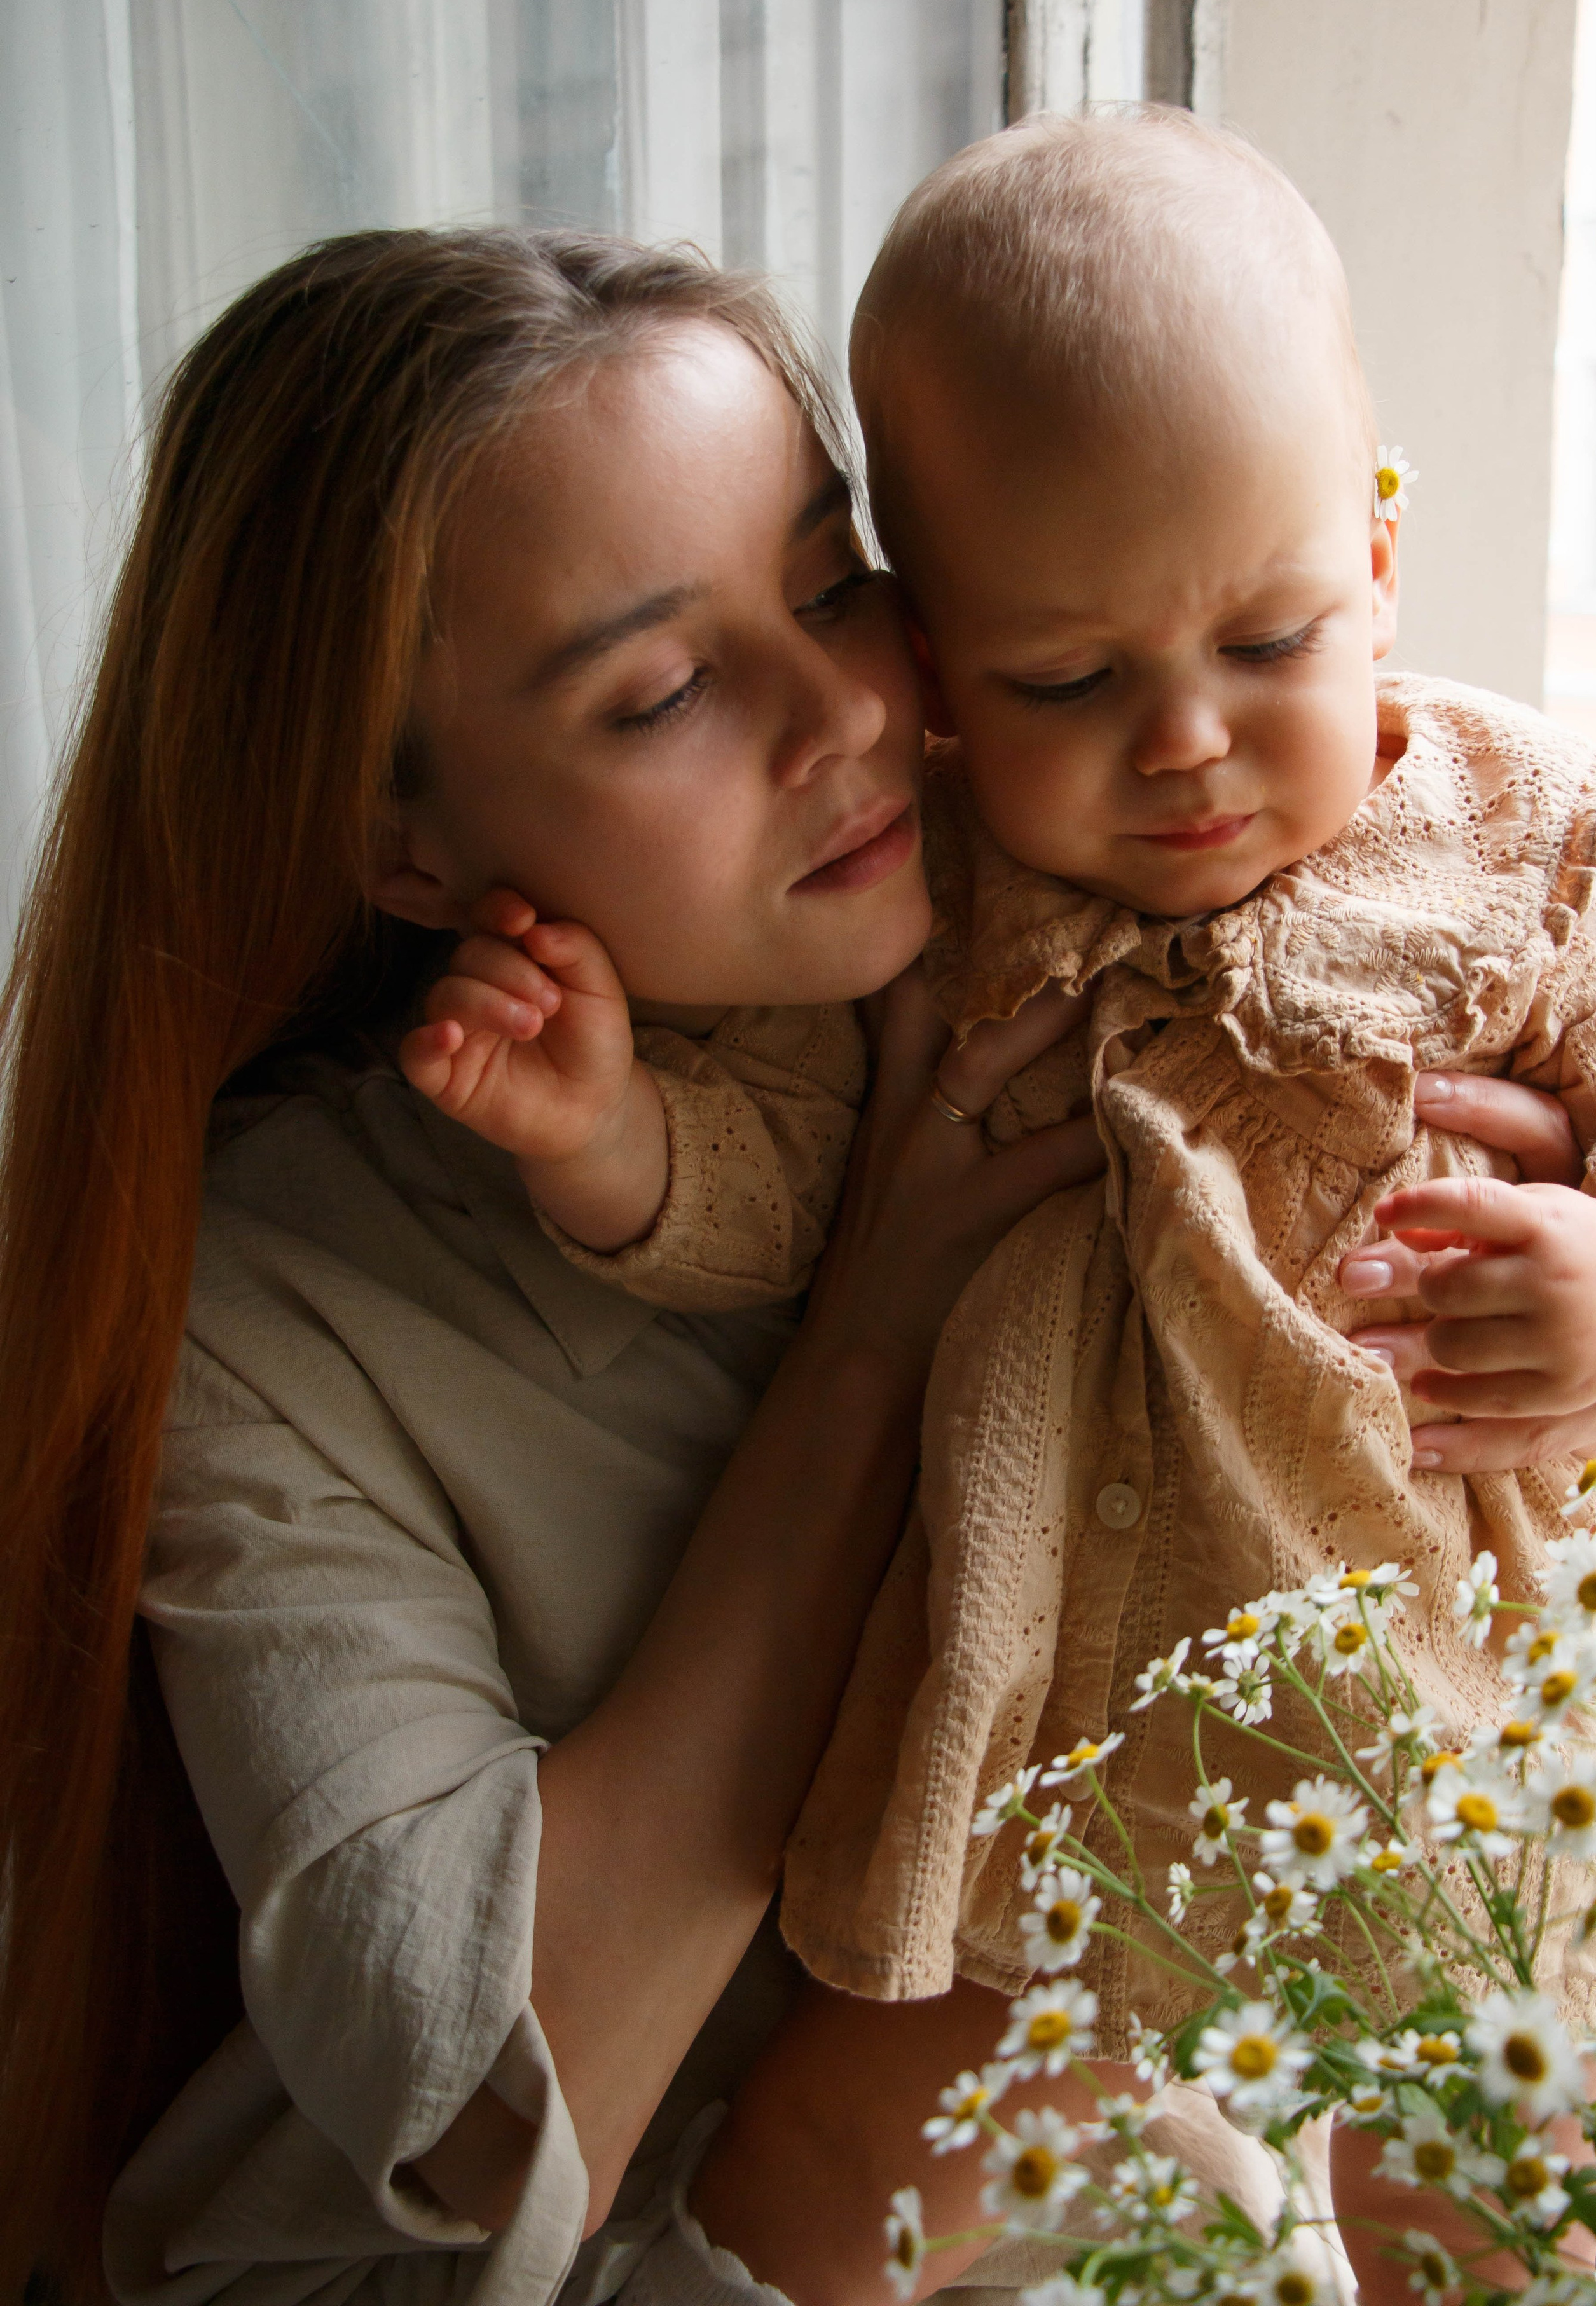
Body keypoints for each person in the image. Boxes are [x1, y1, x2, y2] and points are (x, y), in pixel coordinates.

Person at [411, 114, 1596, 2301]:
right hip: (1048, 1787)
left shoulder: (1519, 832)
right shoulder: (932, 908)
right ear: (941, 672)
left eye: (1270, 641)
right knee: (832, 2168)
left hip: (1448, 1725)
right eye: (1067, 682)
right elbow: (785, 1187)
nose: (1184, 744)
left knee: (1488, 2203)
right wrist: (601, 1139)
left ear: (1377, 553)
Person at [0, 226, 1115, 2305]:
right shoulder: (268, 1299)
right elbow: (509, 2098)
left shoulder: (1060, 924)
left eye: (830, 579)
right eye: (668, 689)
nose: (844, 715)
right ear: (404, 846)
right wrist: (865, 1340)